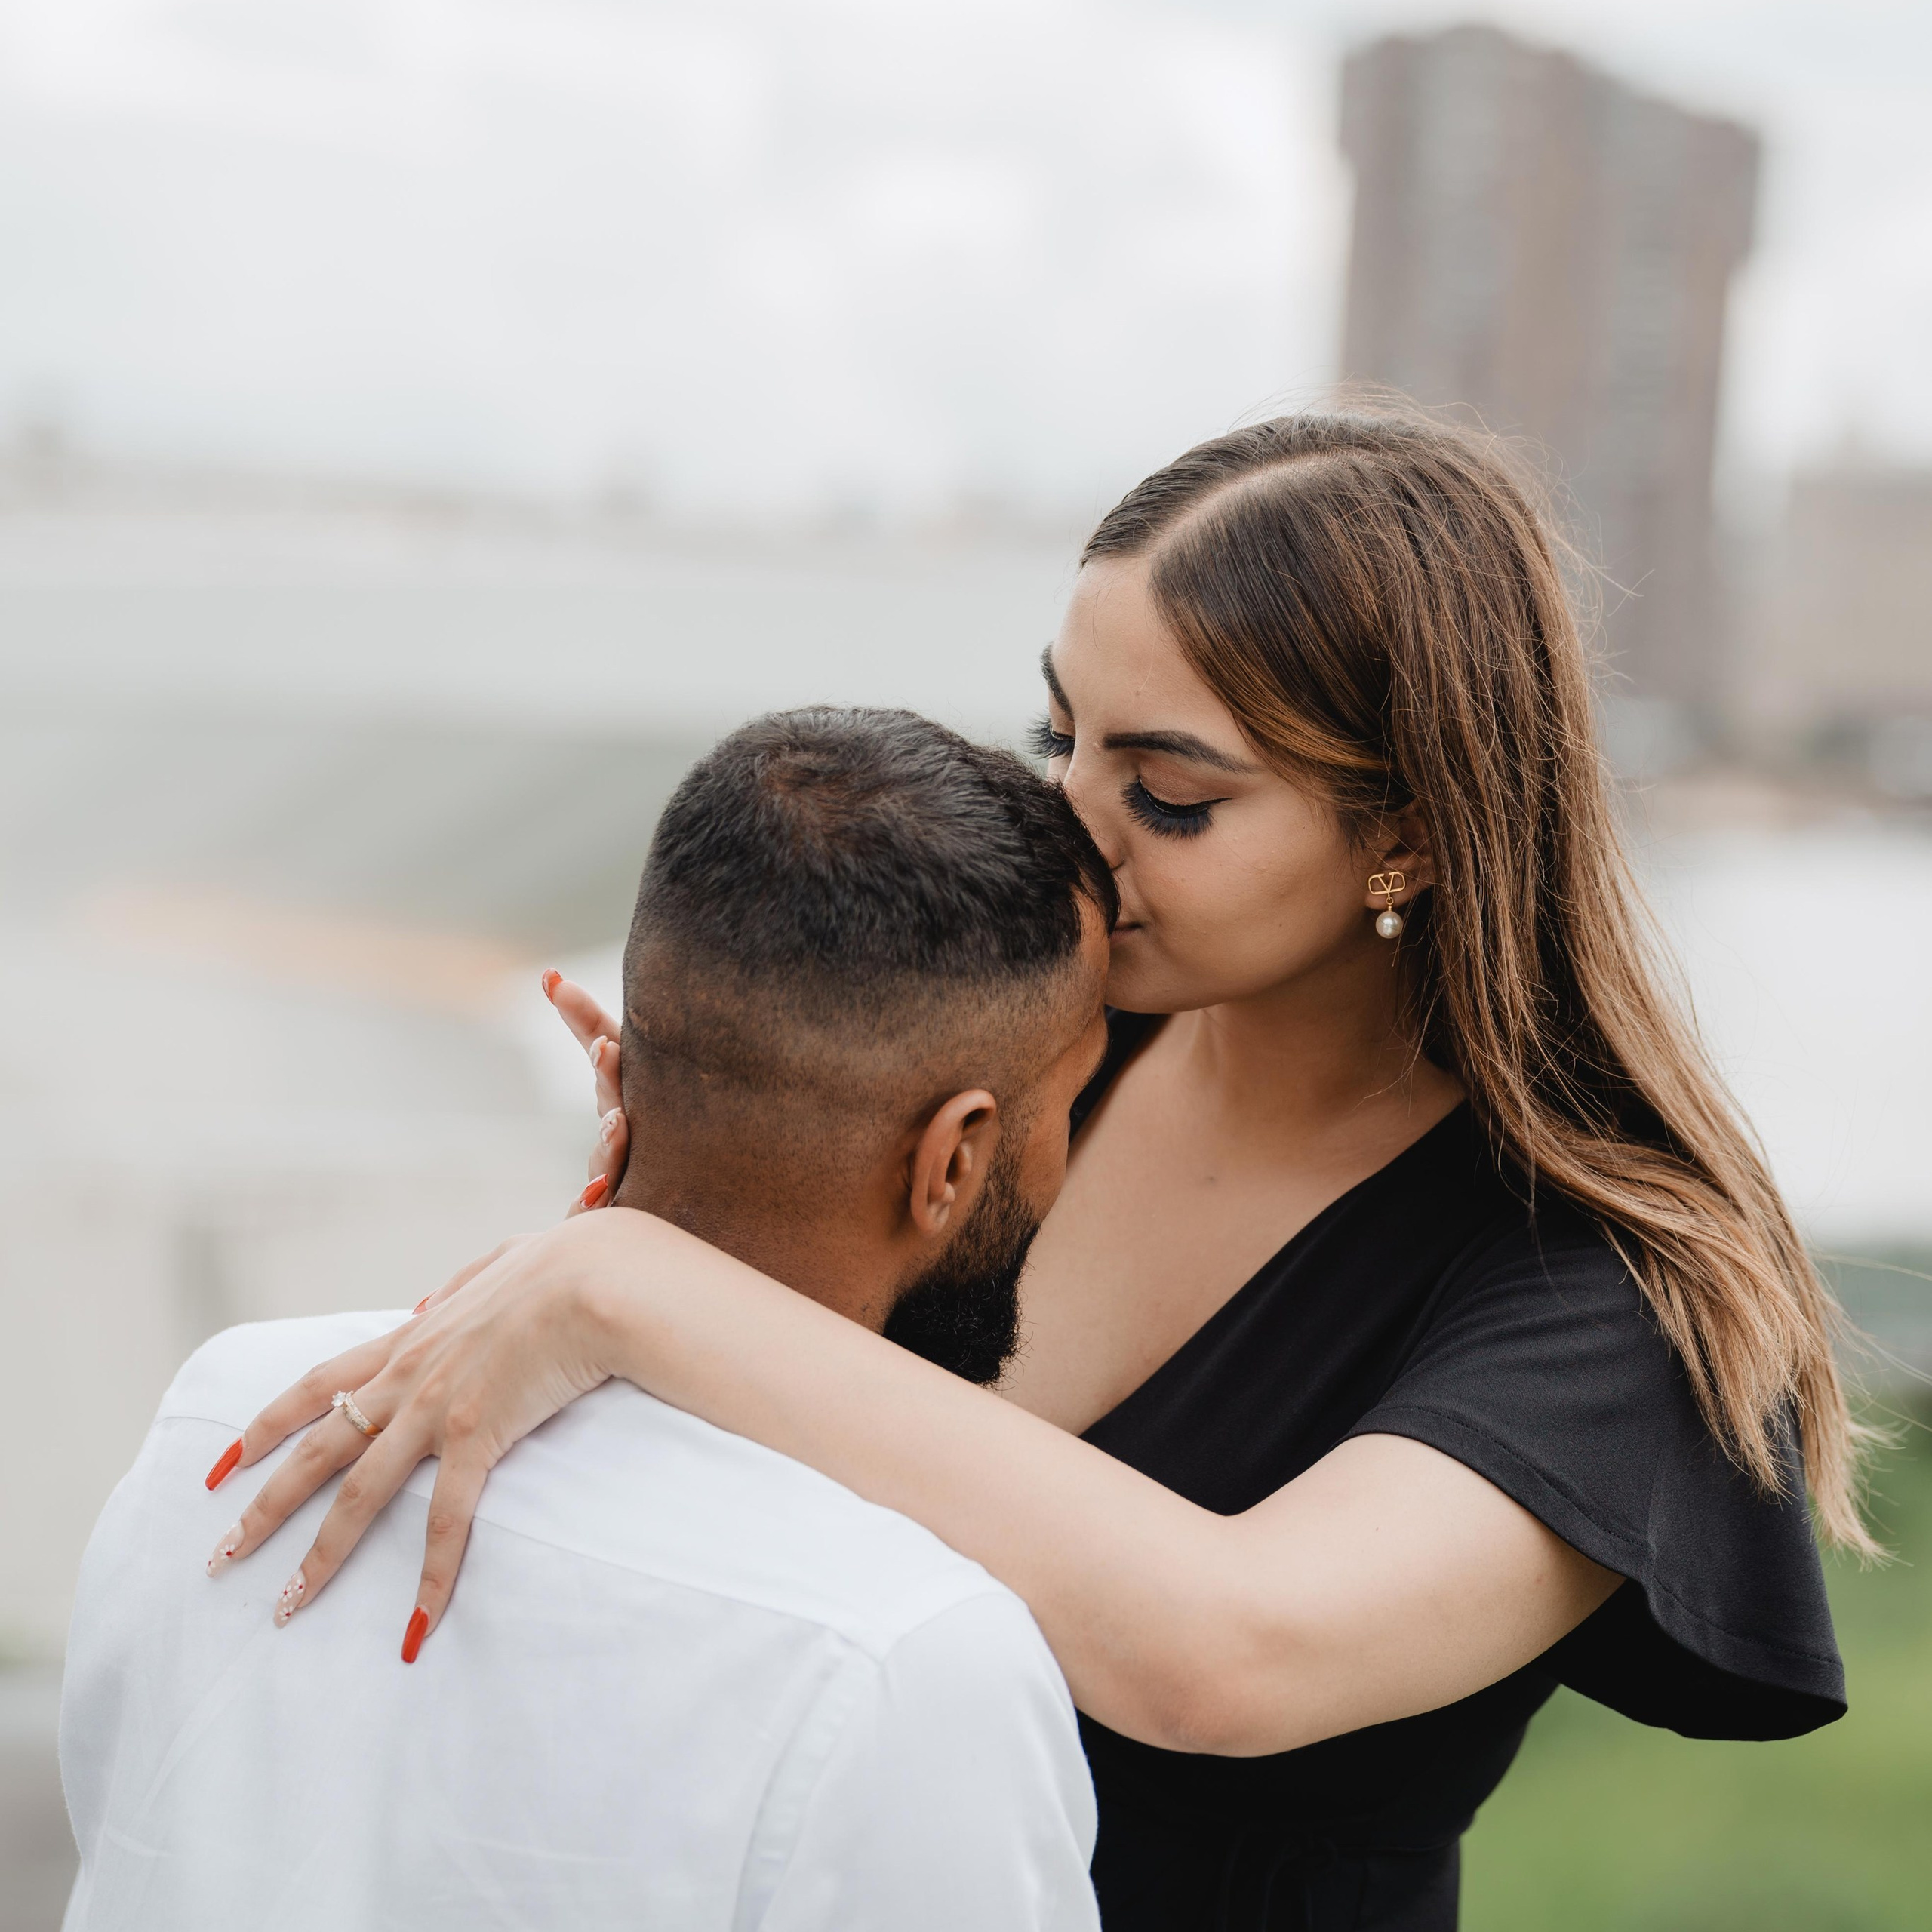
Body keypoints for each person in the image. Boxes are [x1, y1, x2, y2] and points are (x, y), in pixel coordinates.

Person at [229, 411, 1858, 1931]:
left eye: (1166, 792)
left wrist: (635, 1285)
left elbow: (1228, 1649)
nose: (1071, 827)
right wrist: (686, 1184)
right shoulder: (1029, 1058)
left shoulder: (1598, 1288)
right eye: (1057, 735)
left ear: (1412, 832)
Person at [61, 709, 1115, 1932]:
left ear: (613, 1071)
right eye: (1073, 1101)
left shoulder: (229, 1412)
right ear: (951, 1159)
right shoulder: (913, 1657)